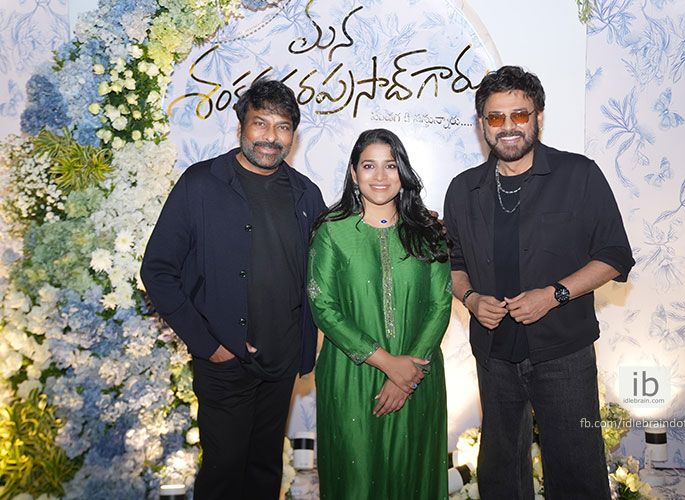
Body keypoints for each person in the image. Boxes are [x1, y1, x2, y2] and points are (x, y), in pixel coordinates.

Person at [443, 66, 635, 499]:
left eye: (519, 114)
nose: (508, 126)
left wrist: (554, 295)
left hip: (563, 351)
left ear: (538, 118)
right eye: (496, 117)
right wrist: (471, 299)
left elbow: (614, 256)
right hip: (494, 355)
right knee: (500, 475)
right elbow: (452, 264)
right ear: (482, 124)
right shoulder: (463, 190)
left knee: (577, 472)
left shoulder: (579, 175)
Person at [140, 79, 326, 500]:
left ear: (293, 136)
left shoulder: (305, 194)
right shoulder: (200, 183)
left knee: (265, 473)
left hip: (281, 364)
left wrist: (414, 224)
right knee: (222, 475)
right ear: (241, 126)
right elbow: (157, 270)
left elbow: (331, 262)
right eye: (261, 123)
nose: (271, 137)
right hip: (224, 364)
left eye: (282, 127)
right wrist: (210, 346)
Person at [307, 128, 452, 499]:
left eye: (390, 165)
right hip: (351, 375)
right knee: (355, 478)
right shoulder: (331, 231)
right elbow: (323, 305)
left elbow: (441, 303)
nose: (380, 176)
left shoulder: (428, 232)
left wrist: (407, 375)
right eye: (369, 166)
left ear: (402, 171)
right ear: (354, 173)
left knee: (412, 476)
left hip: (418, 375)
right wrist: (388, 364)